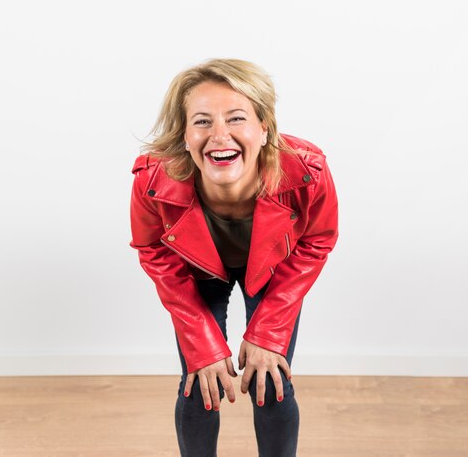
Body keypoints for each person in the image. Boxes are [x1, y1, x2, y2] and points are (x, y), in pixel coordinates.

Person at [129, 58, 339, 457]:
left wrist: (268, 332)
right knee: (199, 383)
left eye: (237, 118)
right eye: (203, 121)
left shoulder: (308, 170)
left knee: (271, 382)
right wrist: (203, 346)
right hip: (196, 272)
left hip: (275, 271)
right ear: (185, 134)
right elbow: (152, 249)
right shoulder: (152, 180)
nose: (219, 135)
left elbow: (318, 239)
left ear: (264, 129)